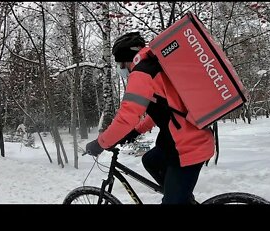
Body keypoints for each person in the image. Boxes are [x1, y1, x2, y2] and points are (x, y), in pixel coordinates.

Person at [85, 32, 215, 204]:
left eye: (119, 63)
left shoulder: (142, 73)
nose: (120, 68)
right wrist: (136, 131)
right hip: (181, 141)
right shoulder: (154, 66)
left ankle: (177, 199)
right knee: (151, 160)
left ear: (125, 58)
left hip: (188, 146)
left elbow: (126, 117)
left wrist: (100, 143)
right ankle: (181, 198)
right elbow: (165, 110)